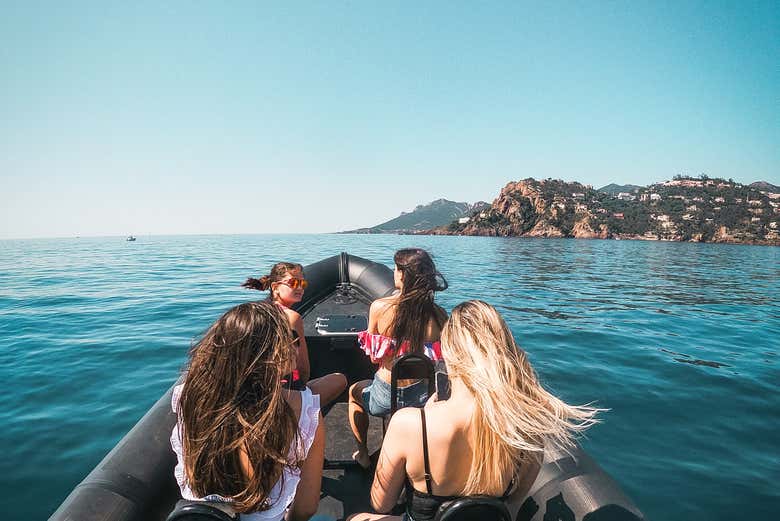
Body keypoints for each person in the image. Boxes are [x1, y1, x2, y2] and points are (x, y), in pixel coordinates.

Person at [348, 300, 601, 521]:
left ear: (448, 354)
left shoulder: (411, 424)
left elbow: (381, 503)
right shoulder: (528, 430)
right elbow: (515, 498)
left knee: (356, 518)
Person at [171, 301, 325, 521]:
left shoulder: (189, 396)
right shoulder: (303, 409)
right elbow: (306, 508)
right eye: (288, 338)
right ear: (269, 354)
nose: (294, 344)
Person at [348, 248, 448, 469]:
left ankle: (363, 454)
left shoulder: (380, 308)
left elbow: (374, 358)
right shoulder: (440, 315)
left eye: (396, 268)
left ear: (403, 274)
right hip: (424, 398)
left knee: (354, 393)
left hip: (385, 397)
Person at [243, 262, 347, 407]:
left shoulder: (259, 311)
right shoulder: (292, 317)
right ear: (275, 287)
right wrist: (301, 394)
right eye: (293, 283)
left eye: (302, 283)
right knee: (339, 379)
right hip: (283, 395)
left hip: (259, 391)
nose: (299, 288)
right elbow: (303, 370)